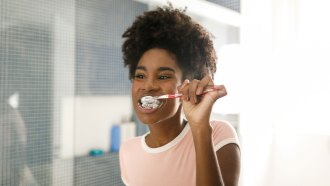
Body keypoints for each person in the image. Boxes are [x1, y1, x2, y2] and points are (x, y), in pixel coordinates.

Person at [119, 4, 240, 186]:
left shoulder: (218, 135)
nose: (148, 86)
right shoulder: (128, 151)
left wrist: (200, 128)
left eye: (163, 76)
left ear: (188, 84)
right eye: (140, 76)